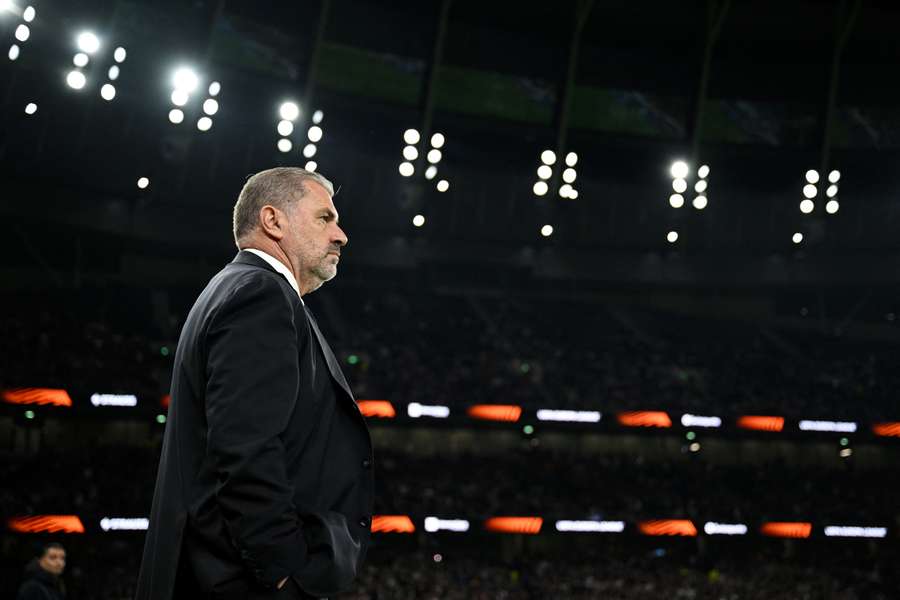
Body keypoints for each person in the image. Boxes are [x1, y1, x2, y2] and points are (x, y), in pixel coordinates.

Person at [136, 167, 374, 600]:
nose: (341, 235)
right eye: (325, 218)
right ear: (273, 220)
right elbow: (246, 449)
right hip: (241, 581)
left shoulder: (238, 288)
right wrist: (285, 574)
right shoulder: (260, 295)